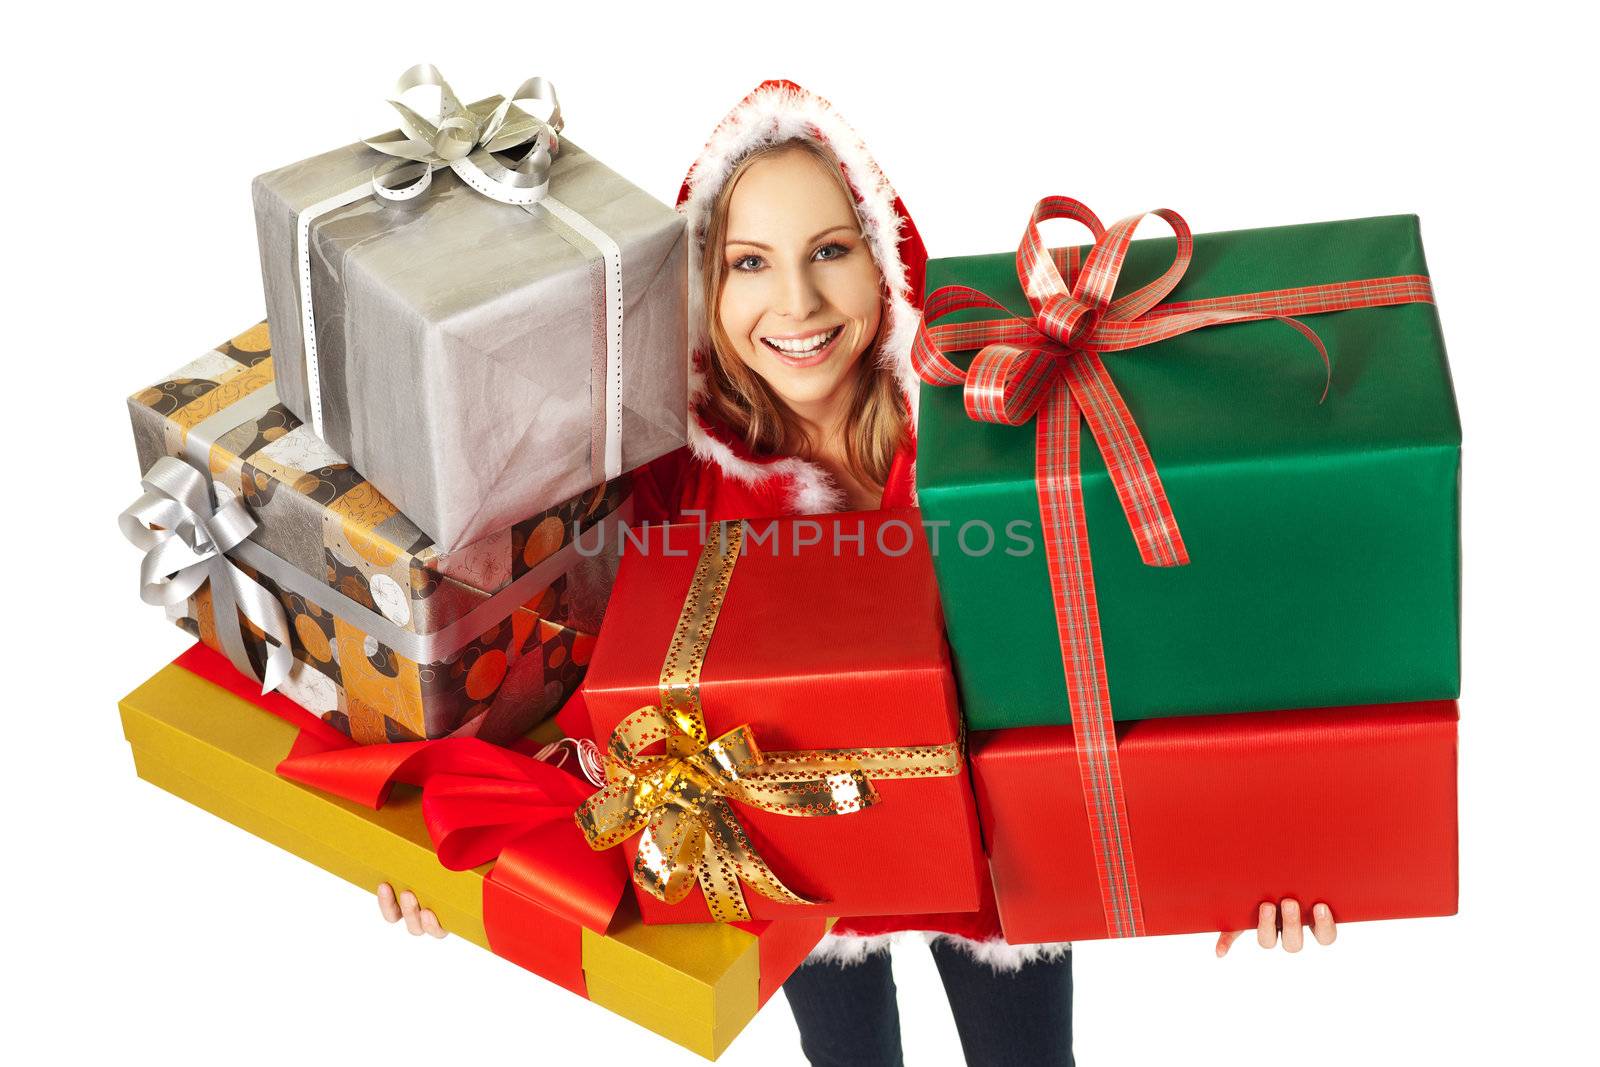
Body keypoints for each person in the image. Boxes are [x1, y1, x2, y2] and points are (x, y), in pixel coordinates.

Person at [375, 80, 1337, 1066]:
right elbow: (548, 682)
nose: (795, 303)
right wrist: (442, 852)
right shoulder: (656, 476)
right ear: (703, 286)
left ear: (886, 261)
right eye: (750, 262)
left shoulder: (997, 441)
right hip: (782, 858)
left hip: (1002, 863)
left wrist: (1260, 848)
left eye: (830, 250)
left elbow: (1141, 648)